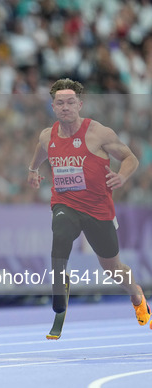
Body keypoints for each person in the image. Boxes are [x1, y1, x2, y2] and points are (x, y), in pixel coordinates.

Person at [27, 78, 149, 335]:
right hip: (65, 203)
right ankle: (59, 302)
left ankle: (136, 294)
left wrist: (122, 176)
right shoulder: (47, 135)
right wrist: (33, 168)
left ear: (80, 104)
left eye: (71, 102)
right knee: (59, 235)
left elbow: (130, 157)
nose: (65, 107)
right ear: (53, 107)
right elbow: (41, 149)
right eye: (60, 103)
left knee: (112, 269)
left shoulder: (98, 133)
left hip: (98, 210)